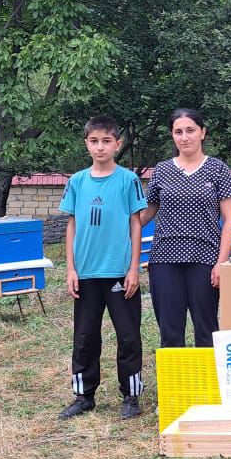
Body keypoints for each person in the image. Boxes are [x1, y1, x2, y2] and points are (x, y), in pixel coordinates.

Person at [57, 116, 148, 420]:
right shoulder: (77, 181)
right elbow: (71, 224)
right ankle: (84, 396)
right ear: (87, 144)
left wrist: (134, 267)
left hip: (119, 273)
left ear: (117, 144)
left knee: (128, 336)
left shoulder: (127, 180)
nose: (100, 147)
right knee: (84, 338)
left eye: (106, 141)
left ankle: (131, 396)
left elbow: (136, 224)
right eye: (94, 141)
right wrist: (71, 269)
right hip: (85, 274)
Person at [142, 108, 231, 347]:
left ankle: (206, 384)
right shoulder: (162, 171)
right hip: (164, 258)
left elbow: (229, 221)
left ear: (202, 132)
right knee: (170, 330)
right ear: (172, 136)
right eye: (178, 132)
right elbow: (146, 214)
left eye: (190, 130)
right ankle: (176, 384)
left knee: (206, 329)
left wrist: (221, 263)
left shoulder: (218, 169)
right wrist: (115, 224)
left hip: (205, 259)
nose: (184, 137)